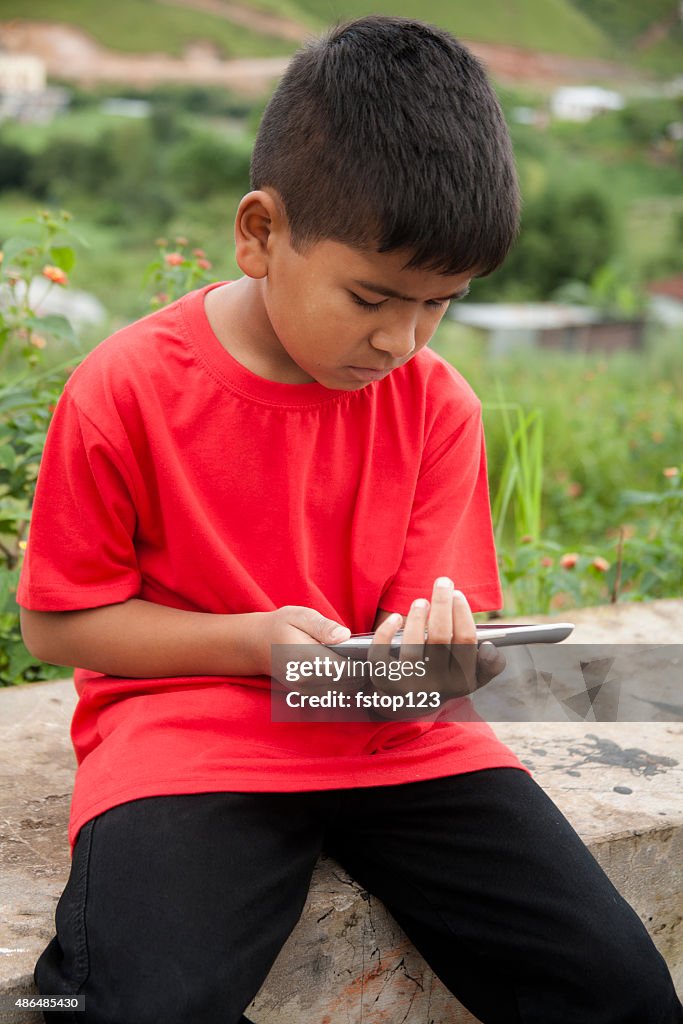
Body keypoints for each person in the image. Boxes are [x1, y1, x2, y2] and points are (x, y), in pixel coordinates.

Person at [18, 16, 682, 1024]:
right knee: (138, 1002)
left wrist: (450, 655)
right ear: (259, 232)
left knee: (618, 991)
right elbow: (57, 622)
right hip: (191, 737)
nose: (400, 338)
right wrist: (247, 643)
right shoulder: (128, 388)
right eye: (372, 296)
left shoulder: (435, 403)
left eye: (439, 303)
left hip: (398, 742)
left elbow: (434, 647)